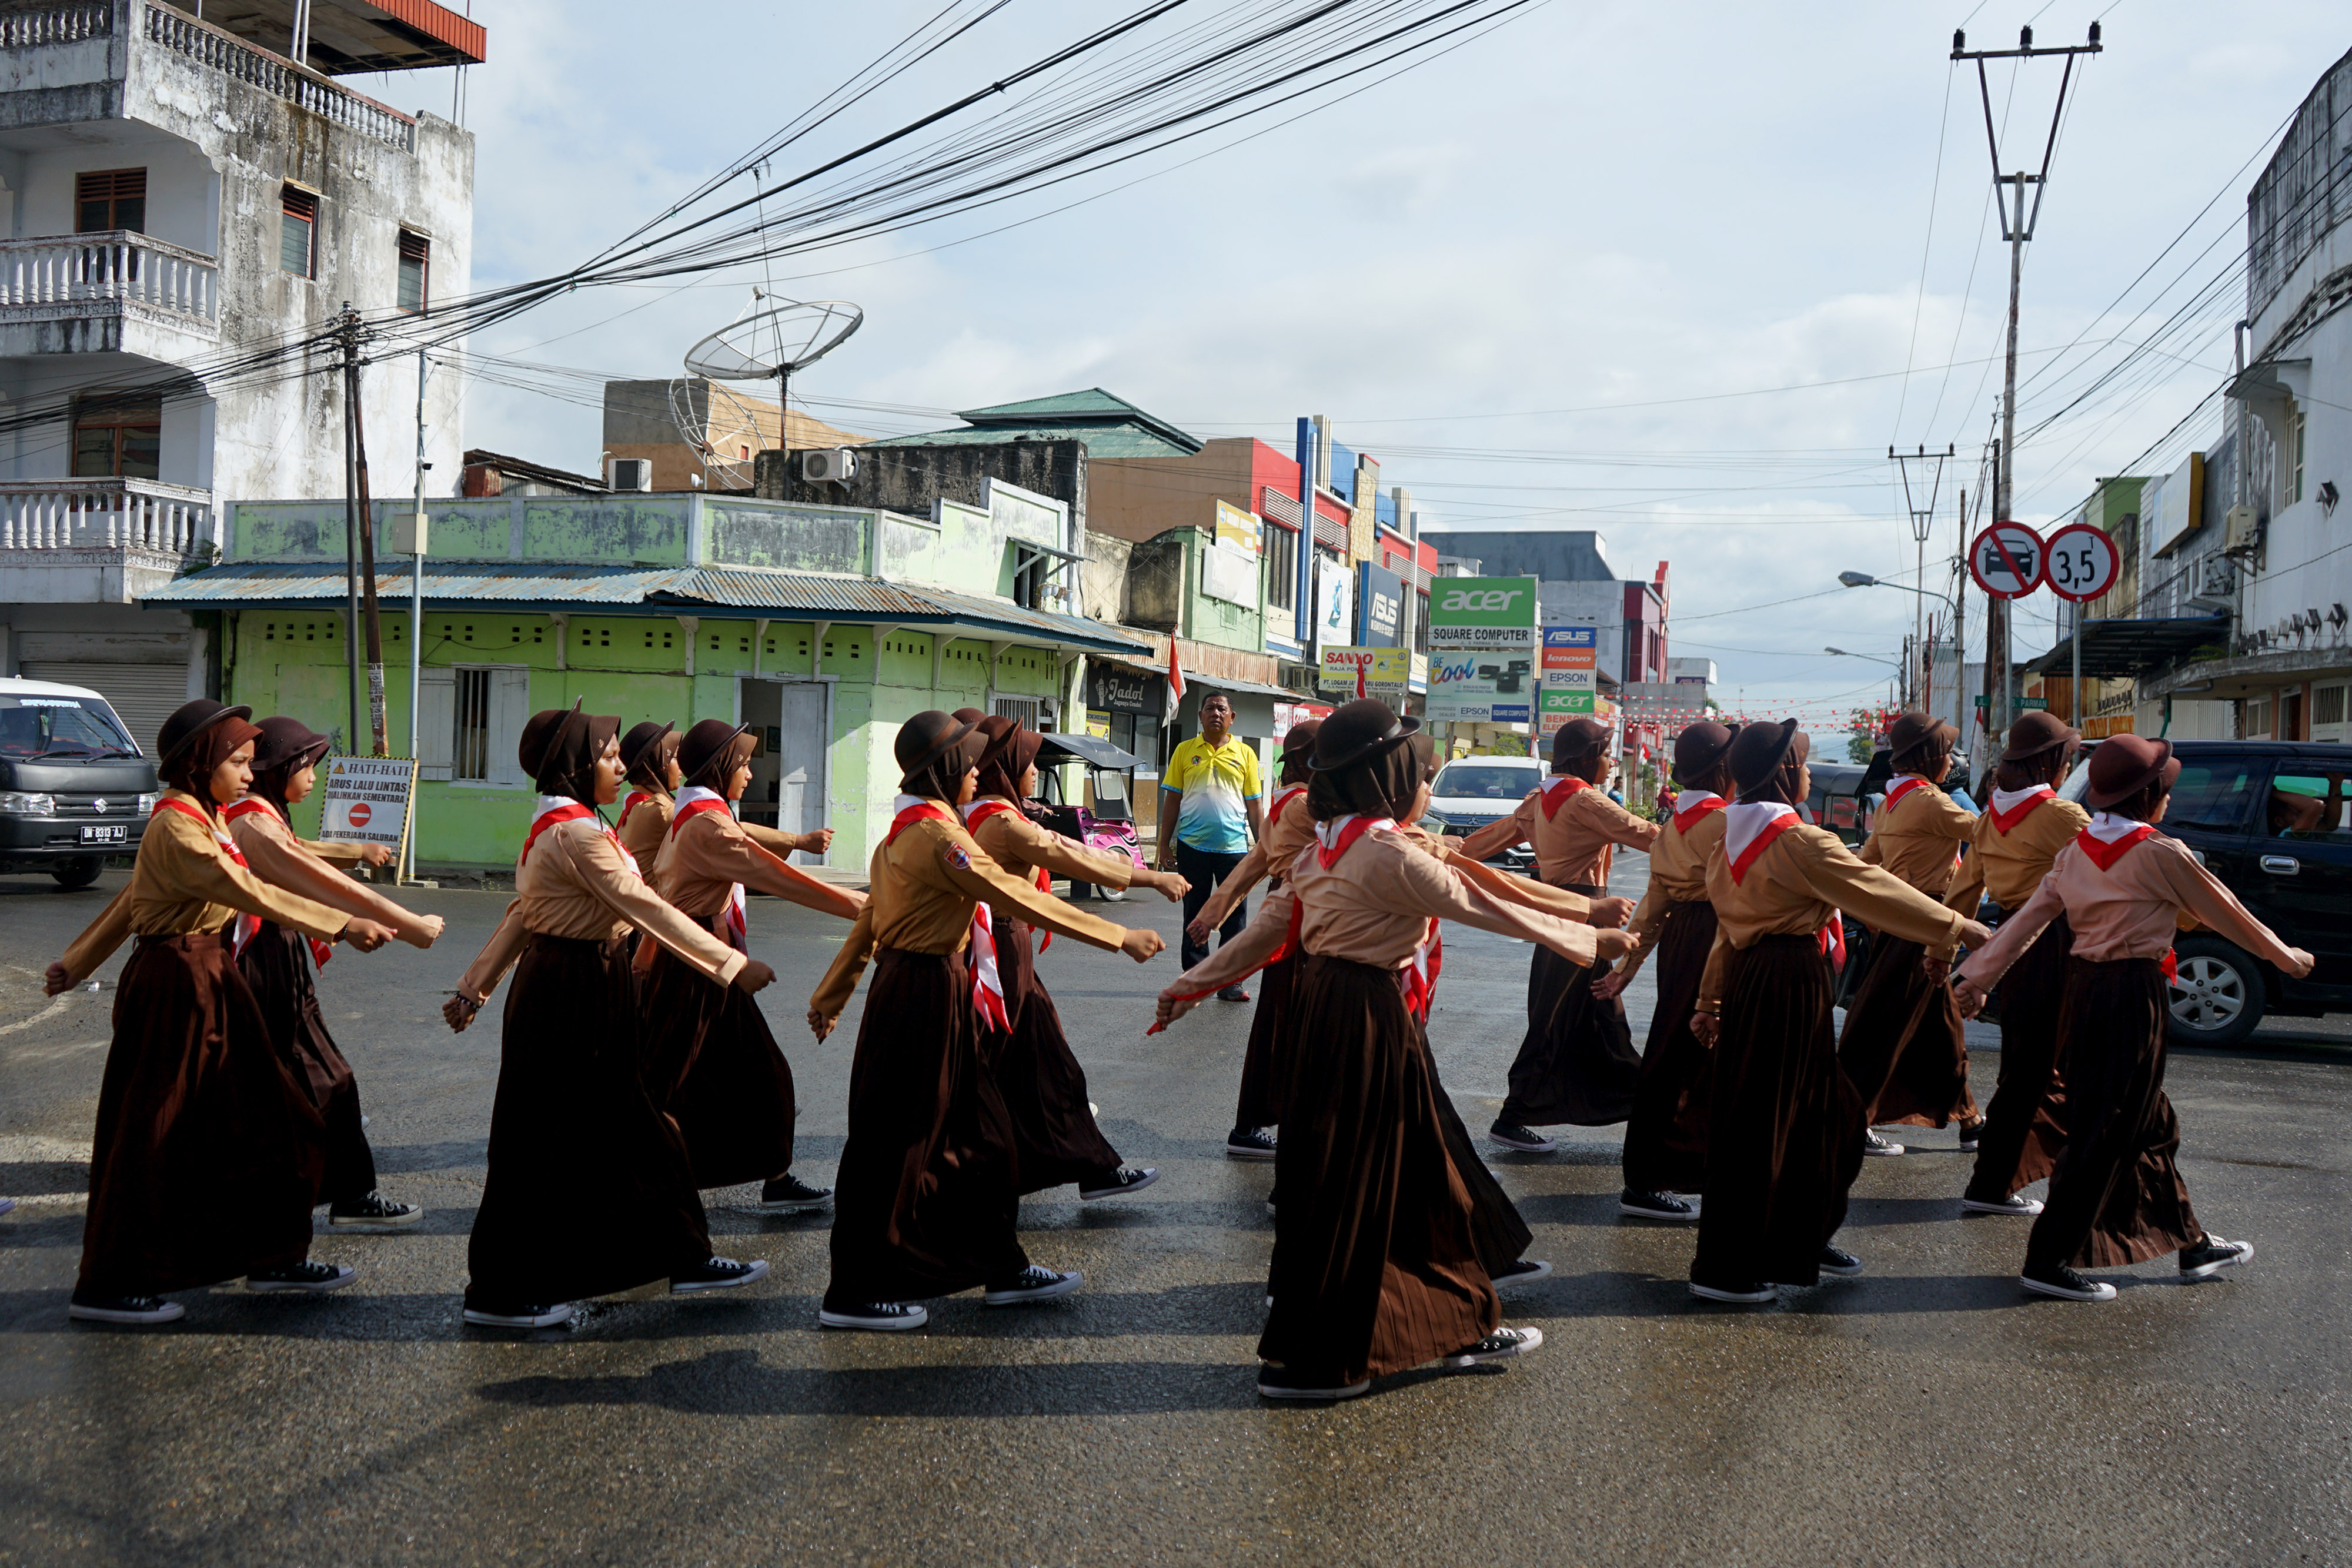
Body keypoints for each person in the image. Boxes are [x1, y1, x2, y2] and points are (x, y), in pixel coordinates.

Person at [1154, 699, 1636, 1400]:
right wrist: (1595, 940)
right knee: (1367, 1180)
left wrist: (1191, 983)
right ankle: (1320, 1361)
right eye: (1421, 772)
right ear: (1388, 782)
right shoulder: (1382, 852)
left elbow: (1269, 930)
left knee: (1396, 1173)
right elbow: (1484, 906)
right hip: (1366, 1019)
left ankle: (1453, 1321)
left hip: (1330, 1011)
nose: (1429, 783)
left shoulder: (1328, 846)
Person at [43, 699, 400, 1326]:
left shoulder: (204, 817)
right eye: (236, 761)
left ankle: (270, 1253)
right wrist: (342, 924)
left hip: (210, 977)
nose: (247, 770)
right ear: (200, 764)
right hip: (176, 982)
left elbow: (133, 901)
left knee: (271, 1121)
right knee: (150, 1134)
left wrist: (76, 962)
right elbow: (245, 891)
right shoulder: (177, 828)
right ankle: (109, 1281)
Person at [807, 711, 1166, 1332]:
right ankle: (854, 1292)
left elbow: (869, 925)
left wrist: (830, 997)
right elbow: (1013, 893)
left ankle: (997, 1266)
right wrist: (1118, 935)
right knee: (898, 1145)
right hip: (921, 994)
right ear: (945, 771)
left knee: (982, 1138)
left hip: (931, 990)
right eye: (966, 763)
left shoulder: (905, 831)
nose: (977, 772)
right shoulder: (935, 840)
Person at [443, 703, 776, 1330]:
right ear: (572, 766)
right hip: (567, 991)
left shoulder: (577, 824)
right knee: (537, 1143)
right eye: (608, 755)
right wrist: (729, 966)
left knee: (640, 1129)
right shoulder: (574, 835)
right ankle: (499, 1292)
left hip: (595, 984)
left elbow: (524, 913)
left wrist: (473, 989)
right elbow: (640, 903)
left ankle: (683, 1256)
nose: (621, 765)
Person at [1953, 735, 2313, 1302]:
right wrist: (2284, 957)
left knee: (2150, 1122)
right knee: (2106, 1128)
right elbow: (2226, 912)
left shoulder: (2076, 853)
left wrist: (1977, 977)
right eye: (2164, 791)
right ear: (2150, 798)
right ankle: (2048, 1259)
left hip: (2087, 992)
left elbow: (2023, 925)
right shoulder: (2158, 852)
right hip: (2131, 995)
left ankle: (2191, 1241)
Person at [1686, 720, 1989, 1304]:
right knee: (1768, 1123)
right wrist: (1960, 927)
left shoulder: (1728, 835)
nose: (1804, 770)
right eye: (1800, 761)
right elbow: (1873, 888)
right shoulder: (1798, 842)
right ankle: (1726, 1268)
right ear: (1783, 774)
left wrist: (1709, 998)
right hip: (1788, 981)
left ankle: (1795, 1235)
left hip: (1755, 979)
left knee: (1810, 1119)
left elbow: (1728, 931)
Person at [224, 716, 445, 1229]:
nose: (315, 777)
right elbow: (321, 883)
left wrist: (355, 852)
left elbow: (302, 856)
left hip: (276, 957)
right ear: (283, 770)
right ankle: (302, 1206)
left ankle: (339, 1192)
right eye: (307, 766)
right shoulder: (254, 822)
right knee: (314, 1082)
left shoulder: (261, 815)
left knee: (312, 1080)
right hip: (264, 959)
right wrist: (407, 924)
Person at [642, 718, 868, 1211]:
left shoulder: (700, 813)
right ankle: (642, 1191)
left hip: (709, 967)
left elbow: (752, 846)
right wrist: (865, 907)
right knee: (667, 1086)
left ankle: (773, 1176)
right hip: (695, 969)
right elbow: (778, 876)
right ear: (720, 768)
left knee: (760, 1074)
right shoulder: (705, 823)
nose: (750, 772)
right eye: (742, 763)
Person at [960, 714, 1187, 1200]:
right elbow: (1070, 855)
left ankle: (1082, 1165)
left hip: (995, 949)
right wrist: (1144, 891)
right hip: (1002, 950)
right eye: (1029, 762)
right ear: (1007, 766)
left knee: (1039, 1065)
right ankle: (988, 1175)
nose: (1035, 772)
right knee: (1028, 1067)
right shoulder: (1001, 821)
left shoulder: (980, 811)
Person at [1455, 717, 1662, 1154]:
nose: (1610, 764)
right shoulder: (1588, 801)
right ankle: (1514, 1116)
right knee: (1555, 1018)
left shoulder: (1538, 798)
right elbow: (1648, 836)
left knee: (1597, 1016)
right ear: (1587, 758)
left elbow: (1484, 842)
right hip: (1586, 914)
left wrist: (1443, 851)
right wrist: (1707, 837)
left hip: (1556, 910)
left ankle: (1646, 1107)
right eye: (1606, 755)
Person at [1940, 712, 2088, 1217]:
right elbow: (2117, 871)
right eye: (2068, 757)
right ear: (2051, 762)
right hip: (2059, 939)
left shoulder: (1988, 818)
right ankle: (2003, 1184)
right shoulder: (2064, 817)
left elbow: (1962, 895)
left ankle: (1995, 1180)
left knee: (2027, 1066)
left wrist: (1963, 966)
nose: (2070, 766)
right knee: (2057, 1070)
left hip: (2011, 938)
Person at [1591, 720, 1740, 1221]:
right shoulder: (1725, 823)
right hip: (1714, 937)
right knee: (1688, 1053)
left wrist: (1626, 968)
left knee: (1678, 1049)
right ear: (1724, 770)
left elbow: (1653, 906)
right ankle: (1650, 1177)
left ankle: (1668, 1171)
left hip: (1682, 938)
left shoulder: (1677, 822)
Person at [1837, 713, 1984, 1156]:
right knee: (1880, 1028)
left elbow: (1868, 861)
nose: (1951, 762)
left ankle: (1971, 1118)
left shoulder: (1891, 802)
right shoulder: (1932, 802)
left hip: (1899, 922)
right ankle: (1850, 1119)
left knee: (1942, 1028)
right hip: (1924, 925)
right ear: (1932, 759)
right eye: (1947, 754)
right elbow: (1987, 835)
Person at [1183, 720, 1321, 1161]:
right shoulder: (1306, 807)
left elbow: (1252, 865)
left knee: (1279, 1022)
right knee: (1291, 1025)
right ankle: (1260, 1127)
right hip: (1301, 918)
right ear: (1309, 761)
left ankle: (1253, 1125)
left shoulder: (1283, 800)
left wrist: (1212, 913)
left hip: (1290, 912)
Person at [1157, 691, 1265, 993]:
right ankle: (1196, 978)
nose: (1215, 713)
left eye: (1222, 709)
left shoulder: (1245, 754)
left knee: (1234, 917)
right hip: (1192, 847)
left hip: (1235, 850)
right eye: (1209, 709)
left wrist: (1264, 846)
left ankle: (1231, 982)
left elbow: (1255, 805)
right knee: (1195, 913)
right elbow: (1172, 800)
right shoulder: (1183, 750)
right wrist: (1164, 844)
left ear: (1232, 718)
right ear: (1200, 716)